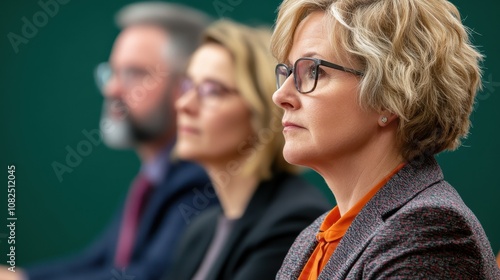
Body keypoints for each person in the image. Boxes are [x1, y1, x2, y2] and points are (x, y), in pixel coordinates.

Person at [270, 0, 500, 279]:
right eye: (288, 72)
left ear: (391, 96)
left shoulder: (428, 232)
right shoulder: (314, 237)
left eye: (314, 71)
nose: (280, 96)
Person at [0, 3, 218, 280]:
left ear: (187, 86)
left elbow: (150, 275)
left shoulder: (200, 179)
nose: (112, 88)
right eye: (111, 72)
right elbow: (98, 260)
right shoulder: (153, 177)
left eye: (135, 73)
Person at [164, 20, 332, 280]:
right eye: (187, 87)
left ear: (263, 110)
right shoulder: (201, 229)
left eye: (211, 91)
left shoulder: (293, 222)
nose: (184, 105)